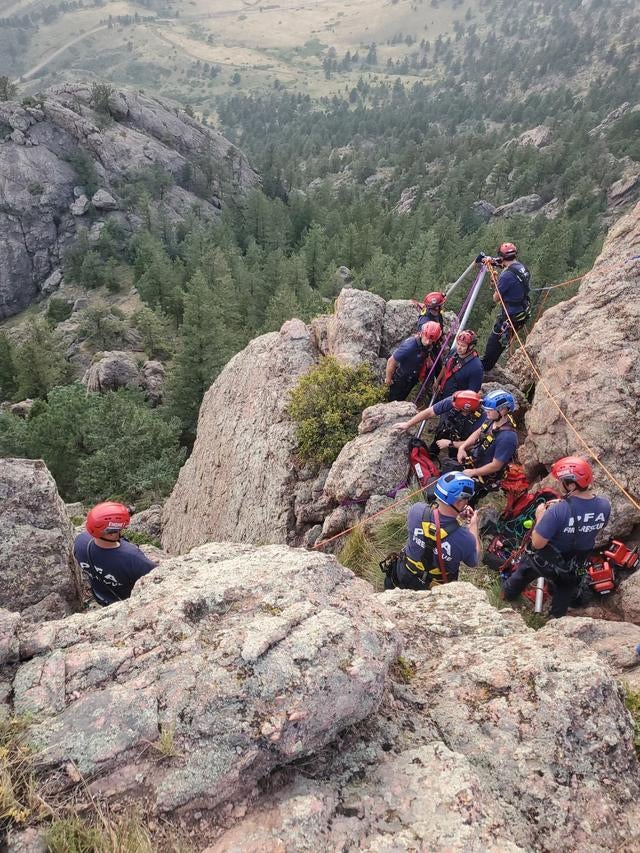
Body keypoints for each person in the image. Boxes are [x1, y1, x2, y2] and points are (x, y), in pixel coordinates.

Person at [502, 456, 611, 618]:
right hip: (575, 564)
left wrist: (541, 516)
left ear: (572, 485)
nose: (559, 484)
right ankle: (556, 619)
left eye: (562, 481)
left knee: (523, 571)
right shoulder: (604, 505)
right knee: (565, 590)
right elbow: (592, 524)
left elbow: (537, 543)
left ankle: (507, 596)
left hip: (545, 561)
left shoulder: (557, 511)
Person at [383, 471, 480, 590]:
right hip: (433, 589)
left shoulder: (416, 510)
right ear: (459, 502)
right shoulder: (464, 539)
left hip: (403, 576)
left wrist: (458, 513)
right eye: (466, 499)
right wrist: (473, 526)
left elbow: (436, 517)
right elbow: (474, 561)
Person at [74, 502, 158, 606]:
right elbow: (158, 576)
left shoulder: (79, 542)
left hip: (100, 596)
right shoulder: (132, 557)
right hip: (125, 602)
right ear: (112, 533)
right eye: (120, 529)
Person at [455, 389, 518, 501]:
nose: (486, 413)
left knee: (461, 497)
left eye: (490, 410)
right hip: (475, 462)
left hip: (486, 477)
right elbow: (478, 433)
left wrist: (472, 472)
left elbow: (496, 465)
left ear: (503, 410)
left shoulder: (508, 437)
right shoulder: (491, 420)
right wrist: (462, 447)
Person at [479, 243, 531, 371]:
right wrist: (492, 261)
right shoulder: (522, 268)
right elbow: (504, 264)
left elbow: (496, 298)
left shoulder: (506, 276)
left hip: (510, 316)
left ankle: (486, 366)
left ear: (502, 257)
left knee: (494, 342)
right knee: (502, 340)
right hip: (522, 311)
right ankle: (489, 363)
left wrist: (495, 283)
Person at [395, 389, 485, 459]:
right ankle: (433, 452)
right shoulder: (454, 400)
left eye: (457, 408)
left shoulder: (482, 420)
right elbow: (429, 412)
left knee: (455, 458)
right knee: (443, 430)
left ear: (467, 409)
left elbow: (475, 444)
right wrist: (408, 424)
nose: (453, 407)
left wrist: (450, 444)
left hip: (465, 440)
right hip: (453, 430)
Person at [385, 321, 442, 402]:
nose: (428, 341)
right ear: (422, 333)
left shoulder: (427, 345)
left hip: (412, 379)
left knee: (401, 400)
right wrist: (388, 379)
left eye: (431, 339)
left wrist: (429, 364)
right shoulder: (410, 346)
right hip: (400, 380)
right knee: (393, 402)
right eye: (427, 337)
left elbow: (427, 354)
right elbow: (391, 361)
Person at [434, 329, 483, 400]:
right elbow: (446, 366)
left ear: (471, 347)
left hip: (454, 403)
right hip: (441, 393)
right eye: (458, 344)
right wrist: (438, 381)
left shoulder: (476, 368)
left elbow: (472, 393)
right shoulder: (454, 351)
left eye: (463, 346)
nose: (459, 348)